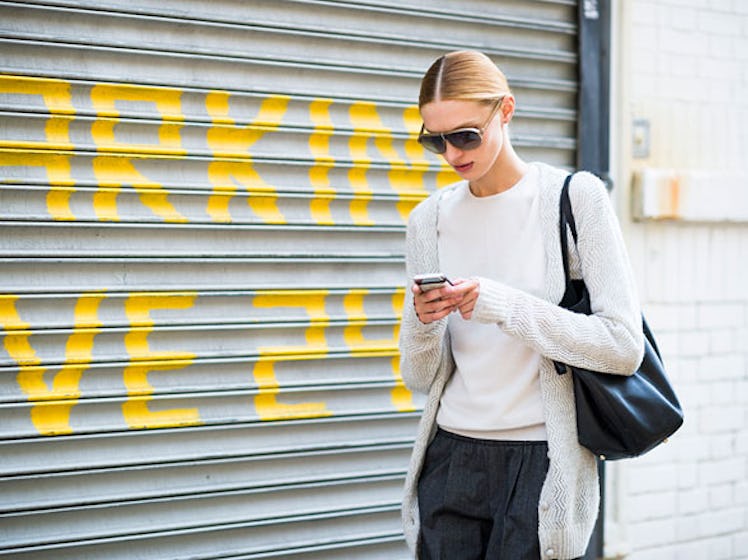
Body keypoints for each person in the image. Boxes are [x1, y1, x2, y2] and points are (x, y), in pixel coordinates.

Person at [398, 50, 645, 559]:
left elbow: (623, 347)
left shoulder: (575, 199)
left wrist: (504, 305)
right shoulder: (429, 219)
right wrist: (423, 325)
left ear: (505, 111)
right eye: (435, 139)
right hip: (450, 457)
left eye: (466, 135)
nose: (451, 153)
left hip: (541, 461)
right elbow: (419, 378)